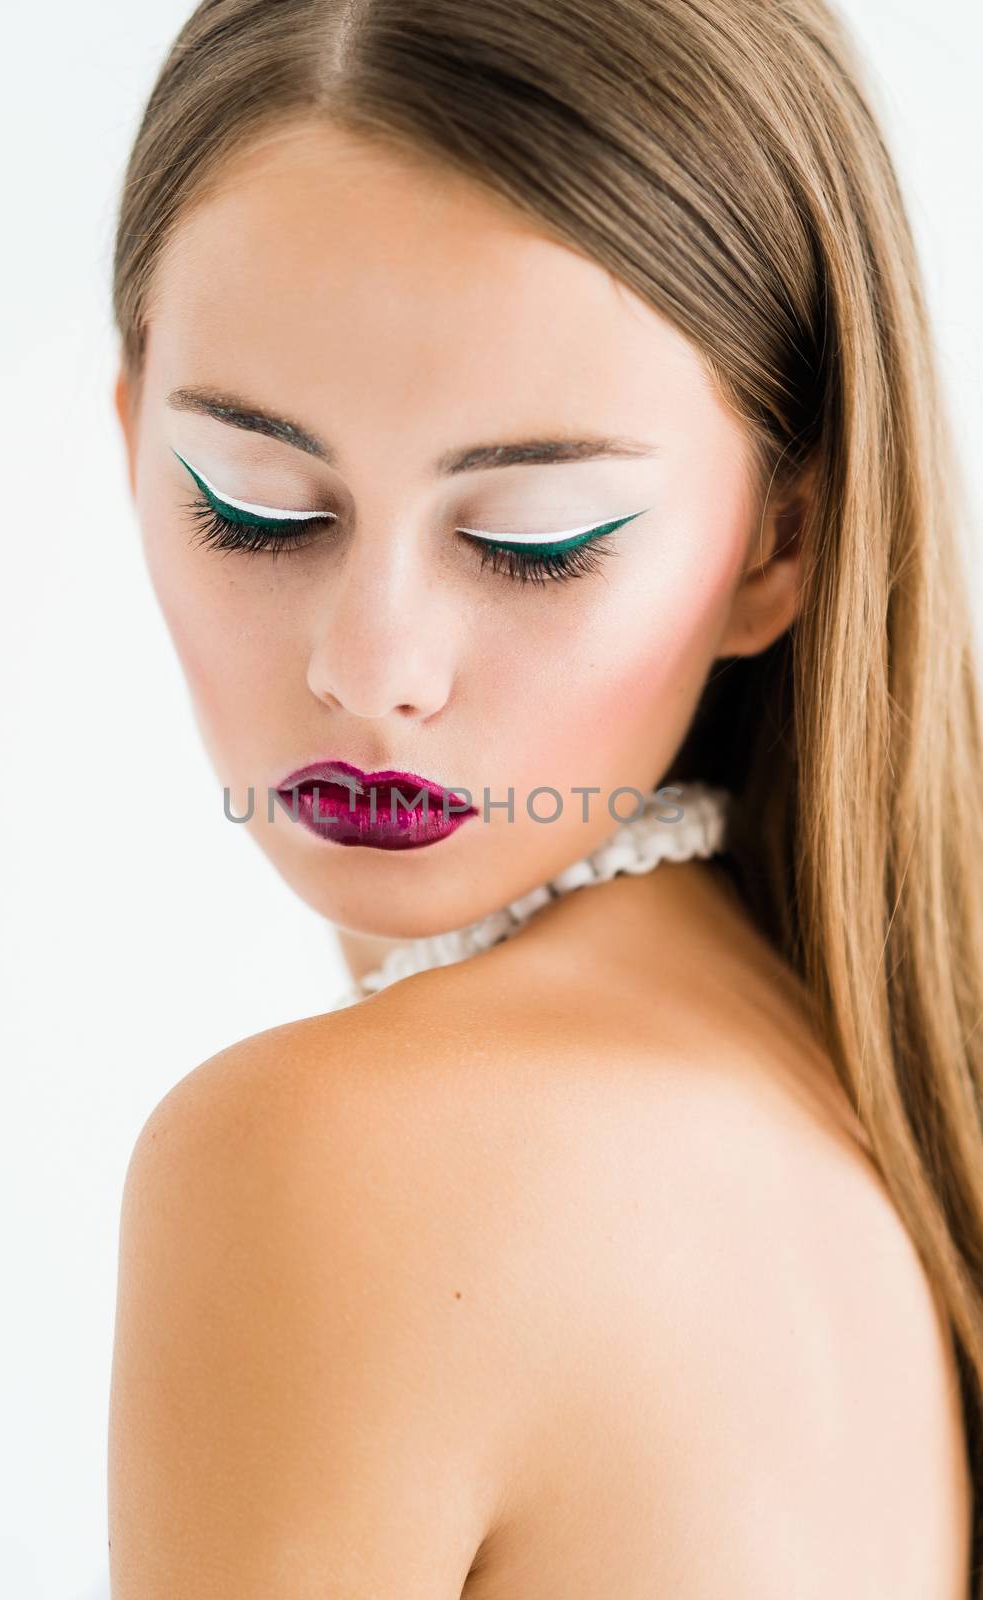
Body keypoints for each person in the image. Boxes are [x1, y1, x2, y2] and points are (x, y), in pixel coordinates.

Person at [106, 1, 982, 1593]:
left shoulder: (332, 1160)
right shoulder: (871, 1102)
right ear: (130, 438)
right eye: (257, 504)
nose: (372, 672)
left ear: (782, 544)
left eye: (532, 541)